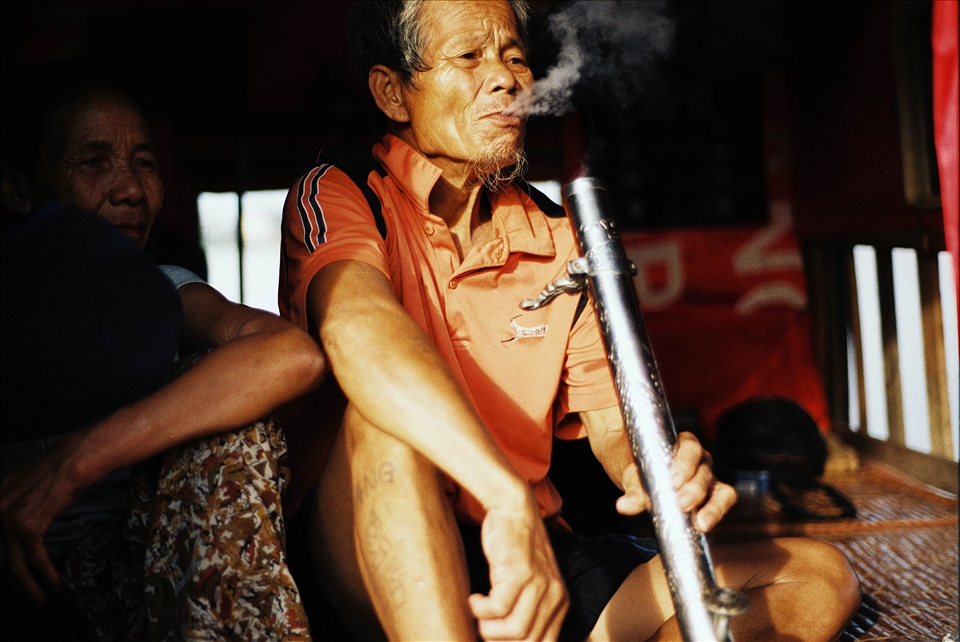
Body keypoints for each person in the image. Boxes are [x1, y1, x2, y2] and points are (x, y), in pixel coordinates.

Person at [279, 1, 862, 640]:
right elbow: (355, 331)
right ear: (393, 93)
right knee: (381, 422)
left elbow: (613, 427)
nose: (504, 78)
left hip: (535, 546)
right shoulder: (343, 191)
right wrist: (503, 496)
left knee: (813, 578)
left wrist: (657, 468)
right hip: (378, 544)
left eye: (515, 57)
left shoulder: (559, 237)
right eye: (469, 57)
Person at [0, 78, 327, 639]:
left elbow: (291, 355)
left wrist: (72, 465)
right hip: (30, 581)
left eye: (144, 163)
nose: (130, 189)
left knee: (230, 416)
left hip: (155, 582)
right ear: (19, 187)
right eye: (94, 161)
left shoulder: (163, 290)